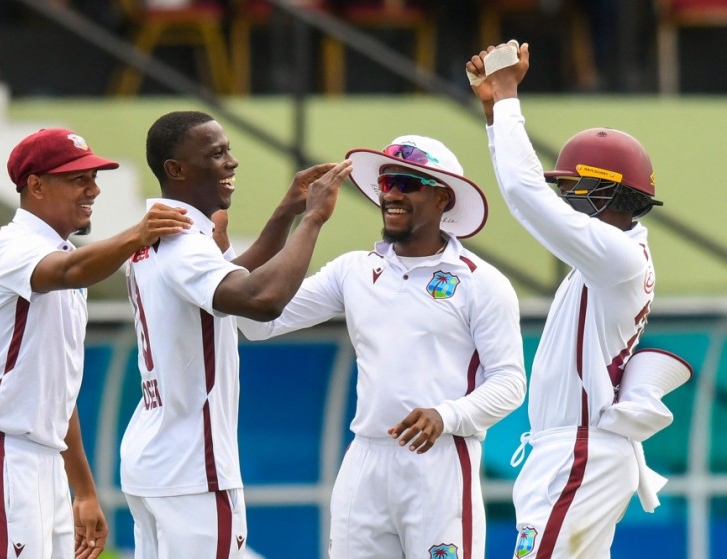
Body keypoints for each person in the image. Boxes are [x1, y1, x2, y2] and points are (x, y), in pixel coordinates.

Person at [237, 134, 527, 558]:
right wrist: (292, 215)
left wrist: (445, 415)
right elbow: (256, 321)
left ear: (442, 198)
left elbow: (510, 383)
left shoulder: (481, 282)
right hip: (365, 458)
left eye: (407, 183)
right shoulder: (353, 270)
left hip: (441, 458)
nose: (391, 193)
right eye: (387, 182)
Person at [466, 42, 691, 558]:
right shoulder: (608, 258)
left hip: (580, 452)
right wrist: (494, 113)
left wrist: (508, 96)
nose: (563, 198)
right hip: (574, 451)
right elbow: (526, 192)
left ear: (604, 192)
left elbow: (524, 193)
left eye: (571, 187)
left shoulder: (617, 256)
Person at [0, 127, 193, 559]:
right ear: (36, 186)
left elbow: (61, 390)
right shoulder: (13, 246)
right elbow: (68, 271)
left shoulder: (65, 258)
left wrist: (85, 491)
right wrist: (138, 234)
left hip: (41, 458)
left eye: (93, 178)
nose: (93, 189)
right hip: (1, 454)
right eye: (79, 179)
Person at [119, 110, 352, 558]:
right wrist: (313, 221)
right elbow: (261, 300)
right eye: (216, 153)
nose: (232, 161)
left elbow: (231, 280)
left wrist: (285, 213)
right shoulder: (184, 243)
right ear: (176, 169)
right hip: (193, 469)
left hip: (155, 462)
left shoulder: (159, 235)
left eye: (228, 150)